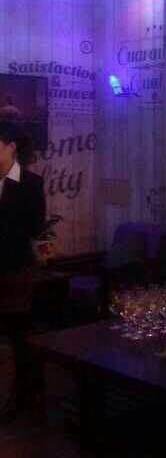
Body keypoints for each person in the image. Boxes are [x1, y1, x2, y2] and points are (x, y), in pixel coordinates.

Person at [0, 121, 46, 423]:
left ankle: (25, 397)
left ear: (10, 146)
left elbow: (34, 229)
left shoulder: (31, 184)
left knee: (19, 336)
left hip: (16, 270)